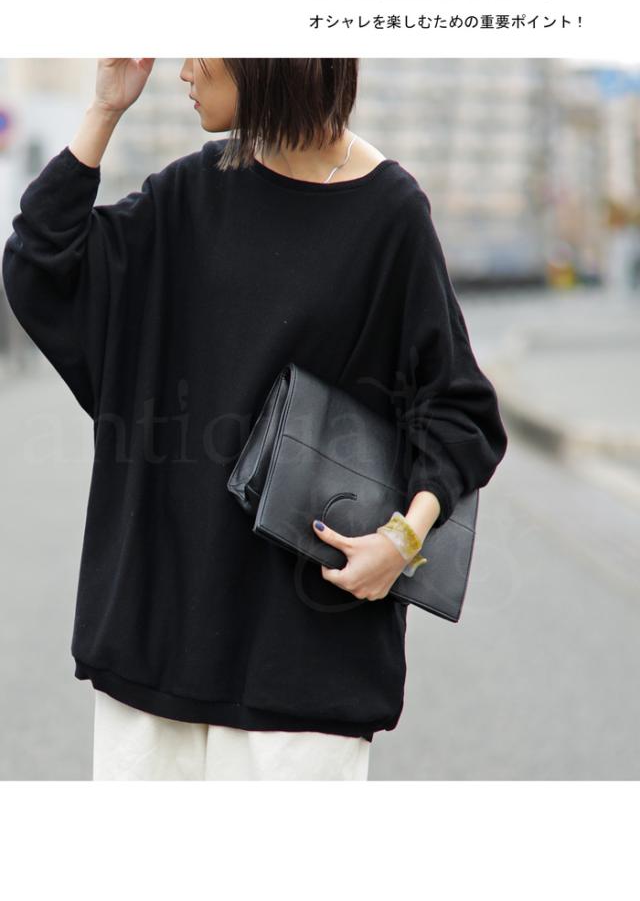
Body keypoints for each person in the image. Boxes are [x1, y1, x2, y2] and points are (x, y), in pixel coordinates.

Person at [2, 58, 508, 781]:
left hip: (303, 664)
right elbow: (42, 264)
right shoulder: (188, 194)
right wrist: (104, 110)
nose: (183, 69)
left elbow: (458, 407)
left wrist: (403, 539)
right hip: (156, 645)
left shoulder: (387, 214)